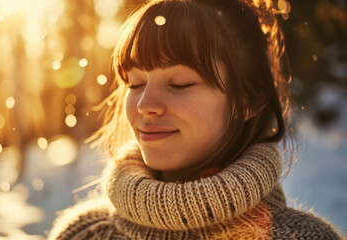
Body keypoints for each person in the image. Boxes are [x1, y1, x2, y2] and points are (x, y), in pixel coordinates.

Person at [48, 0, 343, 239]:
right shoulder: (81, 234)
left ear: (249, 100)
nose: (145, 105)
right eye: (135, 84)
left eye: (180, 84)